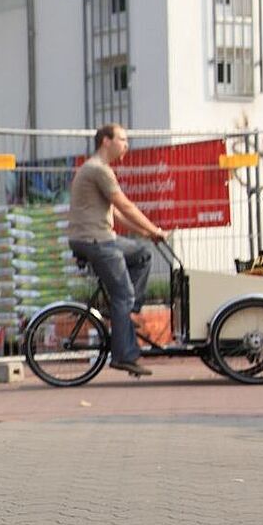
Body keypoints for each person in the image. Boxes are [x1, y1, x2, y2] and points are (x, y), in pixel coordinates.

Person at [67, 123, 168, 377]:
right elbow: (125, 205)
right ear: (106, 141)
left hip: (99, 238)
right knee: (123, 294)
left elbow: (117, 214)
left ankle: (127, 315)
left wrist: (146, 233)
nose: (126, 145)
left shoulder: (96, 169)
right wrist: (155, 228)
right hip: (96, 241)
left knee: (142, 254)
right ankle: (124, 355)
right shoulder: (98, 169)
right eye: (122, 139)